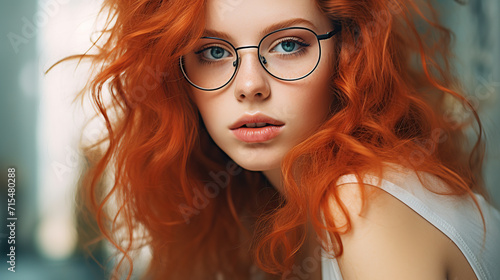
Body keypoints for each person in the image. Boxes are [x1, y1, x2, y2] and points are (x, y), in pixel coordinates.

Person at [54, 0, 500, 279]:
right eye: (213, 52)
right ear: (175, 76)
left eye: (288, 45)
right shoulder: (263, 203)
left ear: (348, 53)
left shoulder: (362, 206)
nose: (250, 85)